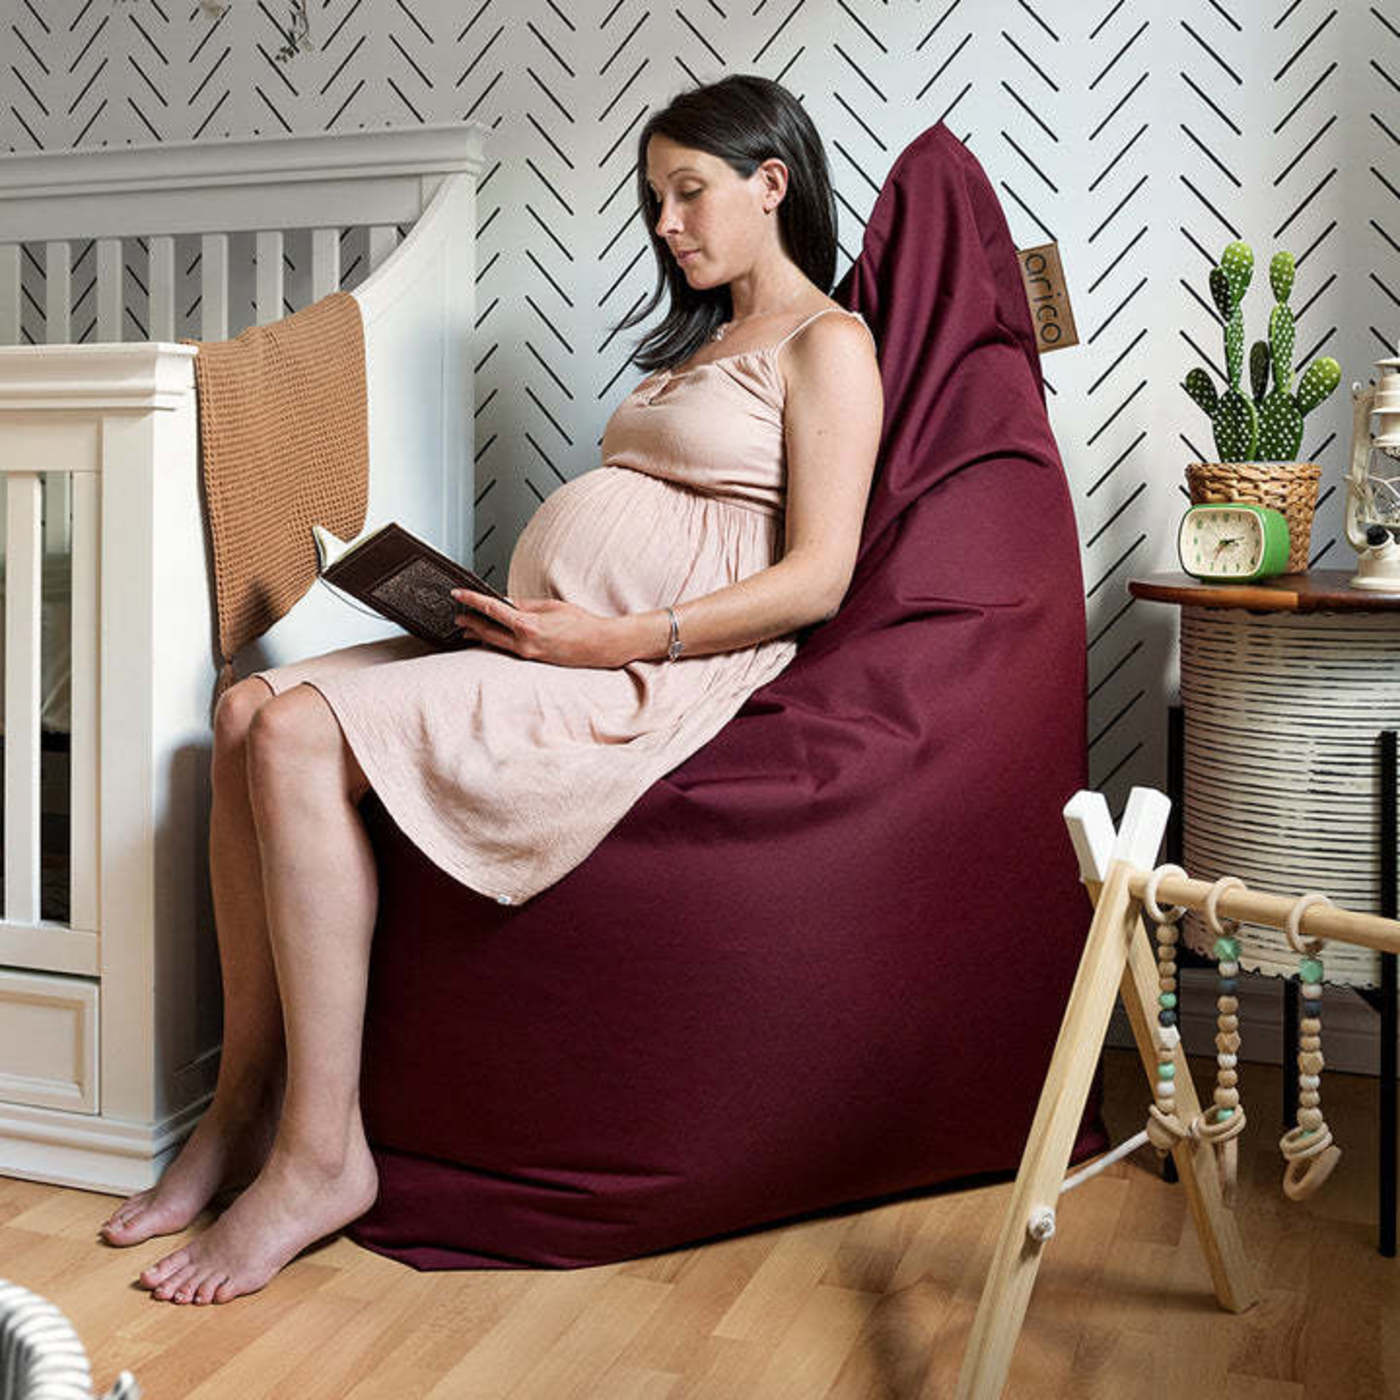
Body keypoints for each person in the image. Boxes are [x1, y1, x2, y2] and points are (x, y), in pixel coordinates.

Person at [95, 72, 883, 1305]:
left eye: (687, 192)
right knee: (245, 708)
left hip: (646, 671)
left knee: (295, 736)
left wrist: (616, 634)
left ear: (770, 183)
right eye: (653, 198)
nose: (665, 223)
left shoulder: (826, 344)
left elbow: (816, 577)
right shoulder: (701, 344)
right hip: (551, 645)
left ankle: (319, 1153)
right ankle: (240, 1104)